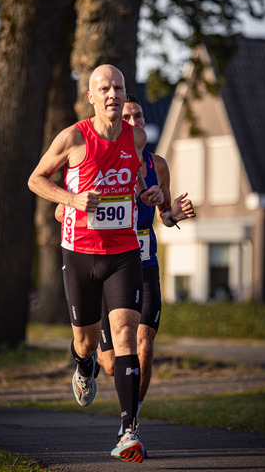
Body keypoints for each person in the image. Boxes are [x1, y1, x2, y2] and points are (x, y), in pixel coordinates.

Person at [28, 64, 163, 463]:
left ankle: (127, 430)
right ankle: (83, 364)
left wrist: (149, 193)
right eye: (103, 88)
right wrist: (71, 199)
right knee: (86, 341)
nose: (112, 94)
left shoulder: (136, 136)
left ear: (125, 94)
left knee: (126, 335)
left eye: (118, 87)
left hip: (123, 254)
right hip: (81, 253)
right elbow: (36, 179)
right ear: (91, 97)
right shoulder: (73, 137)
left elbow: (136, 180)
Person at [97, 94, 196, 450]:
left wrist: (174, 215)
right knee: (111, 365)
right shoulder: (106, 162)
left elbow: (164, 215)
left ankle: (130, 422)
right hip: (112, 261)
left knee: (145, 345)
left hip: (147, 262)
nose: (135, 121)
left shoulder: (159, 165)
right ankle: (94, 349)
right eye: (127, 116)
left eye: (138, 115)